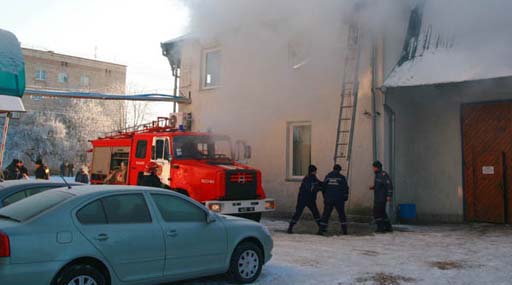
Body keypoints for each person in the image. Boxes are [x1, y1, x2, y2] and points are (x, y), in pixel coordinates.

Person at [287, 165, 323, 234]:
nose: (316, 172)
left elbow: (319, 183)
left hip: (305, 199)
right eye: (315, 171)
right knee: (314, 213)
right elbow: (312, 188)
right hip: (306, 199)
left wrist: (324, 184)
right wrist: (320, 188)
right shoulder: (309, 178)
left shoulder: (310, 178)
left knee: (300, 213)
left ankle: (290, 227)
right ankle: (290, 228)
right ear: (313, 171)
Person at [318, 164, 349, 235]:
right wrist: (345, 197)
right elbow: (345, 188)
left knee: (326, 215)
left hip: (329, 199)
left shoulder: (328, 176)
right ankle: (344, 230)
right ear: (339, 170)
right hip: (339, 200)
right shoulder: (342, 177)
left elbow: (323, 187)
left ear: (333, 169)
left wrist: (325, 197)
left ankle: (321, 230)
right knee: (341, 214)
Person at [370, 160, 393, 233]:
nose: (373, 169)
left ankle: (380, 228)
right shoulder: (377, 175)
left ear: (376, 167)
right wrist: (373, 187)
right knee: (382, 213)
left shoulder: (383, 174)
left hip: (381, 198)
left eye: (373, 167)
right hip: (378, 197)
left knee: (377, 212)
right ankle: (388, 227)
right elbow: (380, 185)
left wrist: (389, 195)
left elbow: (389, 185)